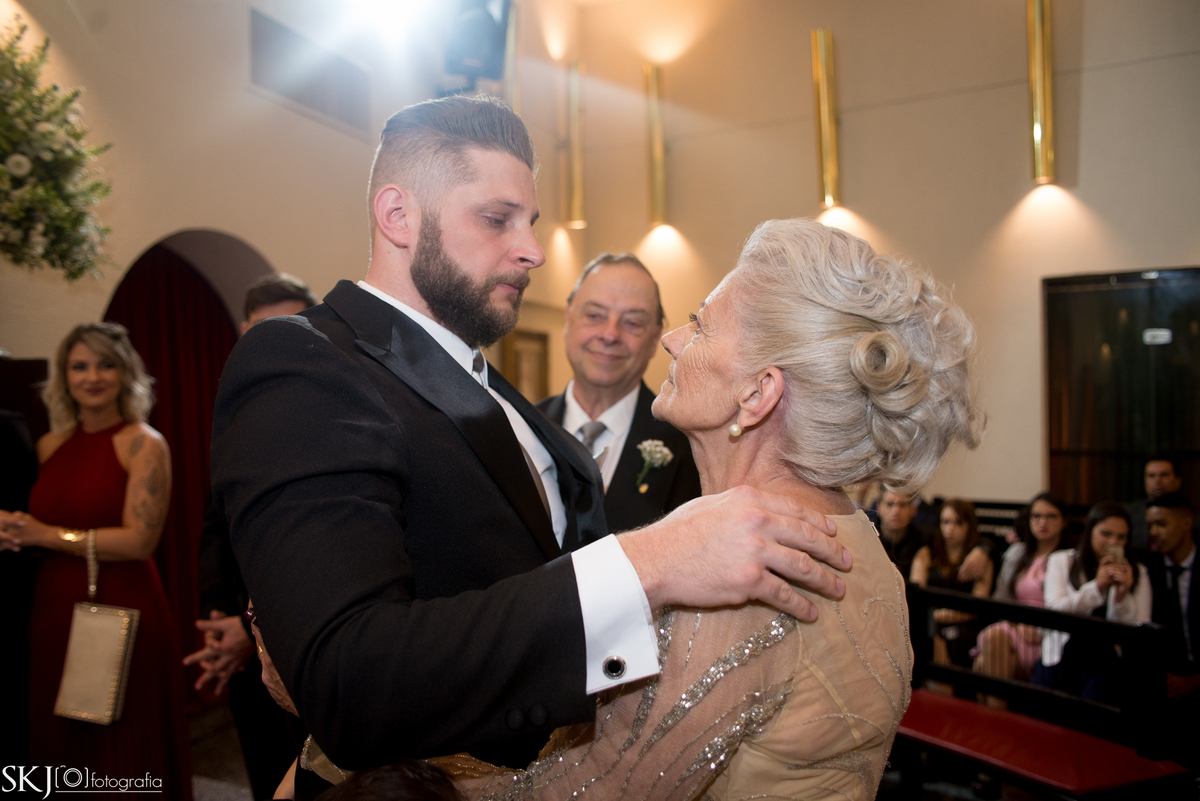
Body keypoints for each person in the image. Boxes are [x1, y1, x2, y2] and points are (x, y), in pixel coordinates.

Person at [209, 96, 850, 792]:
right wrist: (653, 558)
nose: (533, 250)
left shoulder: (495, 392)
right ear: (398, 216)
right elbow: (348, 681)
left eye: (531, 222)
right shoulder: (308, 363)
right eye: (496, 218)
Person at [425, 217, 985, 800]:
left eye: (701, 324)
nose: (672, 340)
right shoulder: (861, 545)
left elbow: (590, 793)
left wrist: (389, 776)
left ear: (757, 393)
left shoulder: (737, 582)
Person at [0, 323, 192, 799]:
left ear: (125, 374)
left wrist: (48, 534)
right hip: (52, 607)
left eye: (105, 364)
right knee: (60, 744)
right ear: (63, 377)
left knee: (120, 743)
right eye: (79, 366)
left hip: (122, 604)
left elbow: (139, 541)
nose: (93, 377)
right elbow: (35, 524)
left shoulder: (144, 443)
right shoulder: (49, 445)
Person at [184, 272, 317, 800]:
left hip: (305, 639)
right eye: (265, 330)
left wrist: (253, 624)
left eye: (292, 326)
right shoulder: (233, 409)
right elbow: (218, 524)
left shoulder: (330, 407)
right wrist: (220, 617)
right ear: (244, 333)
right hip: (243, 643)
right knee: (264, 773)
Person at [538, 252, 701, 532]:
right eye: (594, 315)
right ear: (568, 319)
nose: (610, 334)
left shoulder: (690, 446)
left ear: (655, 338)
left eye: (633, 323)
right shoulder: (520, 427)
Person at [1035, 502, 1151, 701]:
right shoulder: (1062, 561)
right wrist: (1097, 587)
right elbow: (1055, 611)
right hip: (1063, 653)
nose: (1113, 542)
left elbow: (1139, 631)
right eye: (1105, 534)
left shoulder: (1138, 572)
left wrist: (1123, 595)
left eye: (1121, 537)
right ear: (1090, 531)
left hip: (1108, 660)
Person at [973, 492, 1065, 693]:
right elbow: (1001, 599)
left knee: (983, 664)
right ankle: (998, 721)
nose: (1043, 522)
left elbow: (1068, 606)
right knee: (992, 642)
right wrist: (1017, 621)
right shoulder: (1017, 553)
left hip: (1048, 635)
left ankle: (994, 721)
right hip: (1015, 625)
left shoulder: (1068, 559)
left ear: (1063, 521)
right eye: (1036, 516)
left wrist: (1039, 629)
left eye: (1051, 516)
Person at [1144, 491, 1200, 770]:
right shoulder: (1148, 568)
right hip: (1165, 679)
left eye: (1161, 524)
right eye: (1150, 525)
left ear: (1187, 523)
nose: (1154, 532)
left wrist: (1196, 680)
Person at [910, 499, 994, 668]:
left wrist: (943, 615)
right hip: (929, 620)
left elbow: (979, 603)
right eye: (945, 522)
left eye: (958, 523)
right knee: (926, 635)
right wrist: (932, 616)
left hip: (966, 622)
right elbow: (916, 593)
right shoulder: (926, 552)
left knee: (951, 638)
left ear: (969, 525)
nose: (949, 529)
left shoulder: (980, 558)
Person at [1128, 458, 1183, 551]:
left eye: (1164, 475)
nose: (1157, 480)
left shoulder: (1192, 514)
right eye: (1151, 475)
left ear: (1177, 480)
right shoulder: (1130, 513)